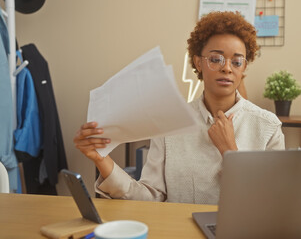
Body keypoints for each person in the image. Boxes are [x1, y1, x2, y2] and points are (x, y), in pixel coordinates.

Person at [74, 11, 285, 205]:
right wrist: (102, 160)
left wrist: (229, 151)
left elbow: (272, 203)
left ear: (244, 67)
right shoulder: (170, 124)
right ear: (198, 62)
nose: (227, 68)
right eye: (215, 59)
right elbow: (151, 197)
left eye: (237, 62)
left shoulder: (267, 126)